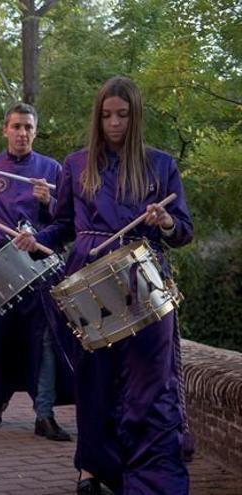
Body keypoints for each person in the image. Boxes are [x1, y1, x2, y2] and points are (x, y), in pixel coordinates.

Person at [16, 76, 194, 495]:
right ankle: (95, 469)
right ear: (97, 117)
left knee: (151, 382)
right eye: (106, 115)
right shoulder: (77, 164)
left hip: (144, 277)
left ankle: (151, 477)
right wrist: (36, 239)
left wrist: (165, 221)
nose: (114, 123)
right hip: (89, 277)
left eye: (123, 115)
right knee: (95, 381)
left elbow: (183, 230)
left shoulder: (161, 164)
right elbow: (61, 224)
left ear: (135, 116)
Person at [0, 102, 73, 441]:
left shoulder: (52, 169)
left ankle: (44, 414)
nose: (23, 133)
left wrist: (47, 202)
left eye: (28, 127)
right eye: (17, 126)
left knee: (45, 341)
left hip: (39, 266)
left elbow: (66, 222)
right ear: (5, 129)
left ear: (35, 131)